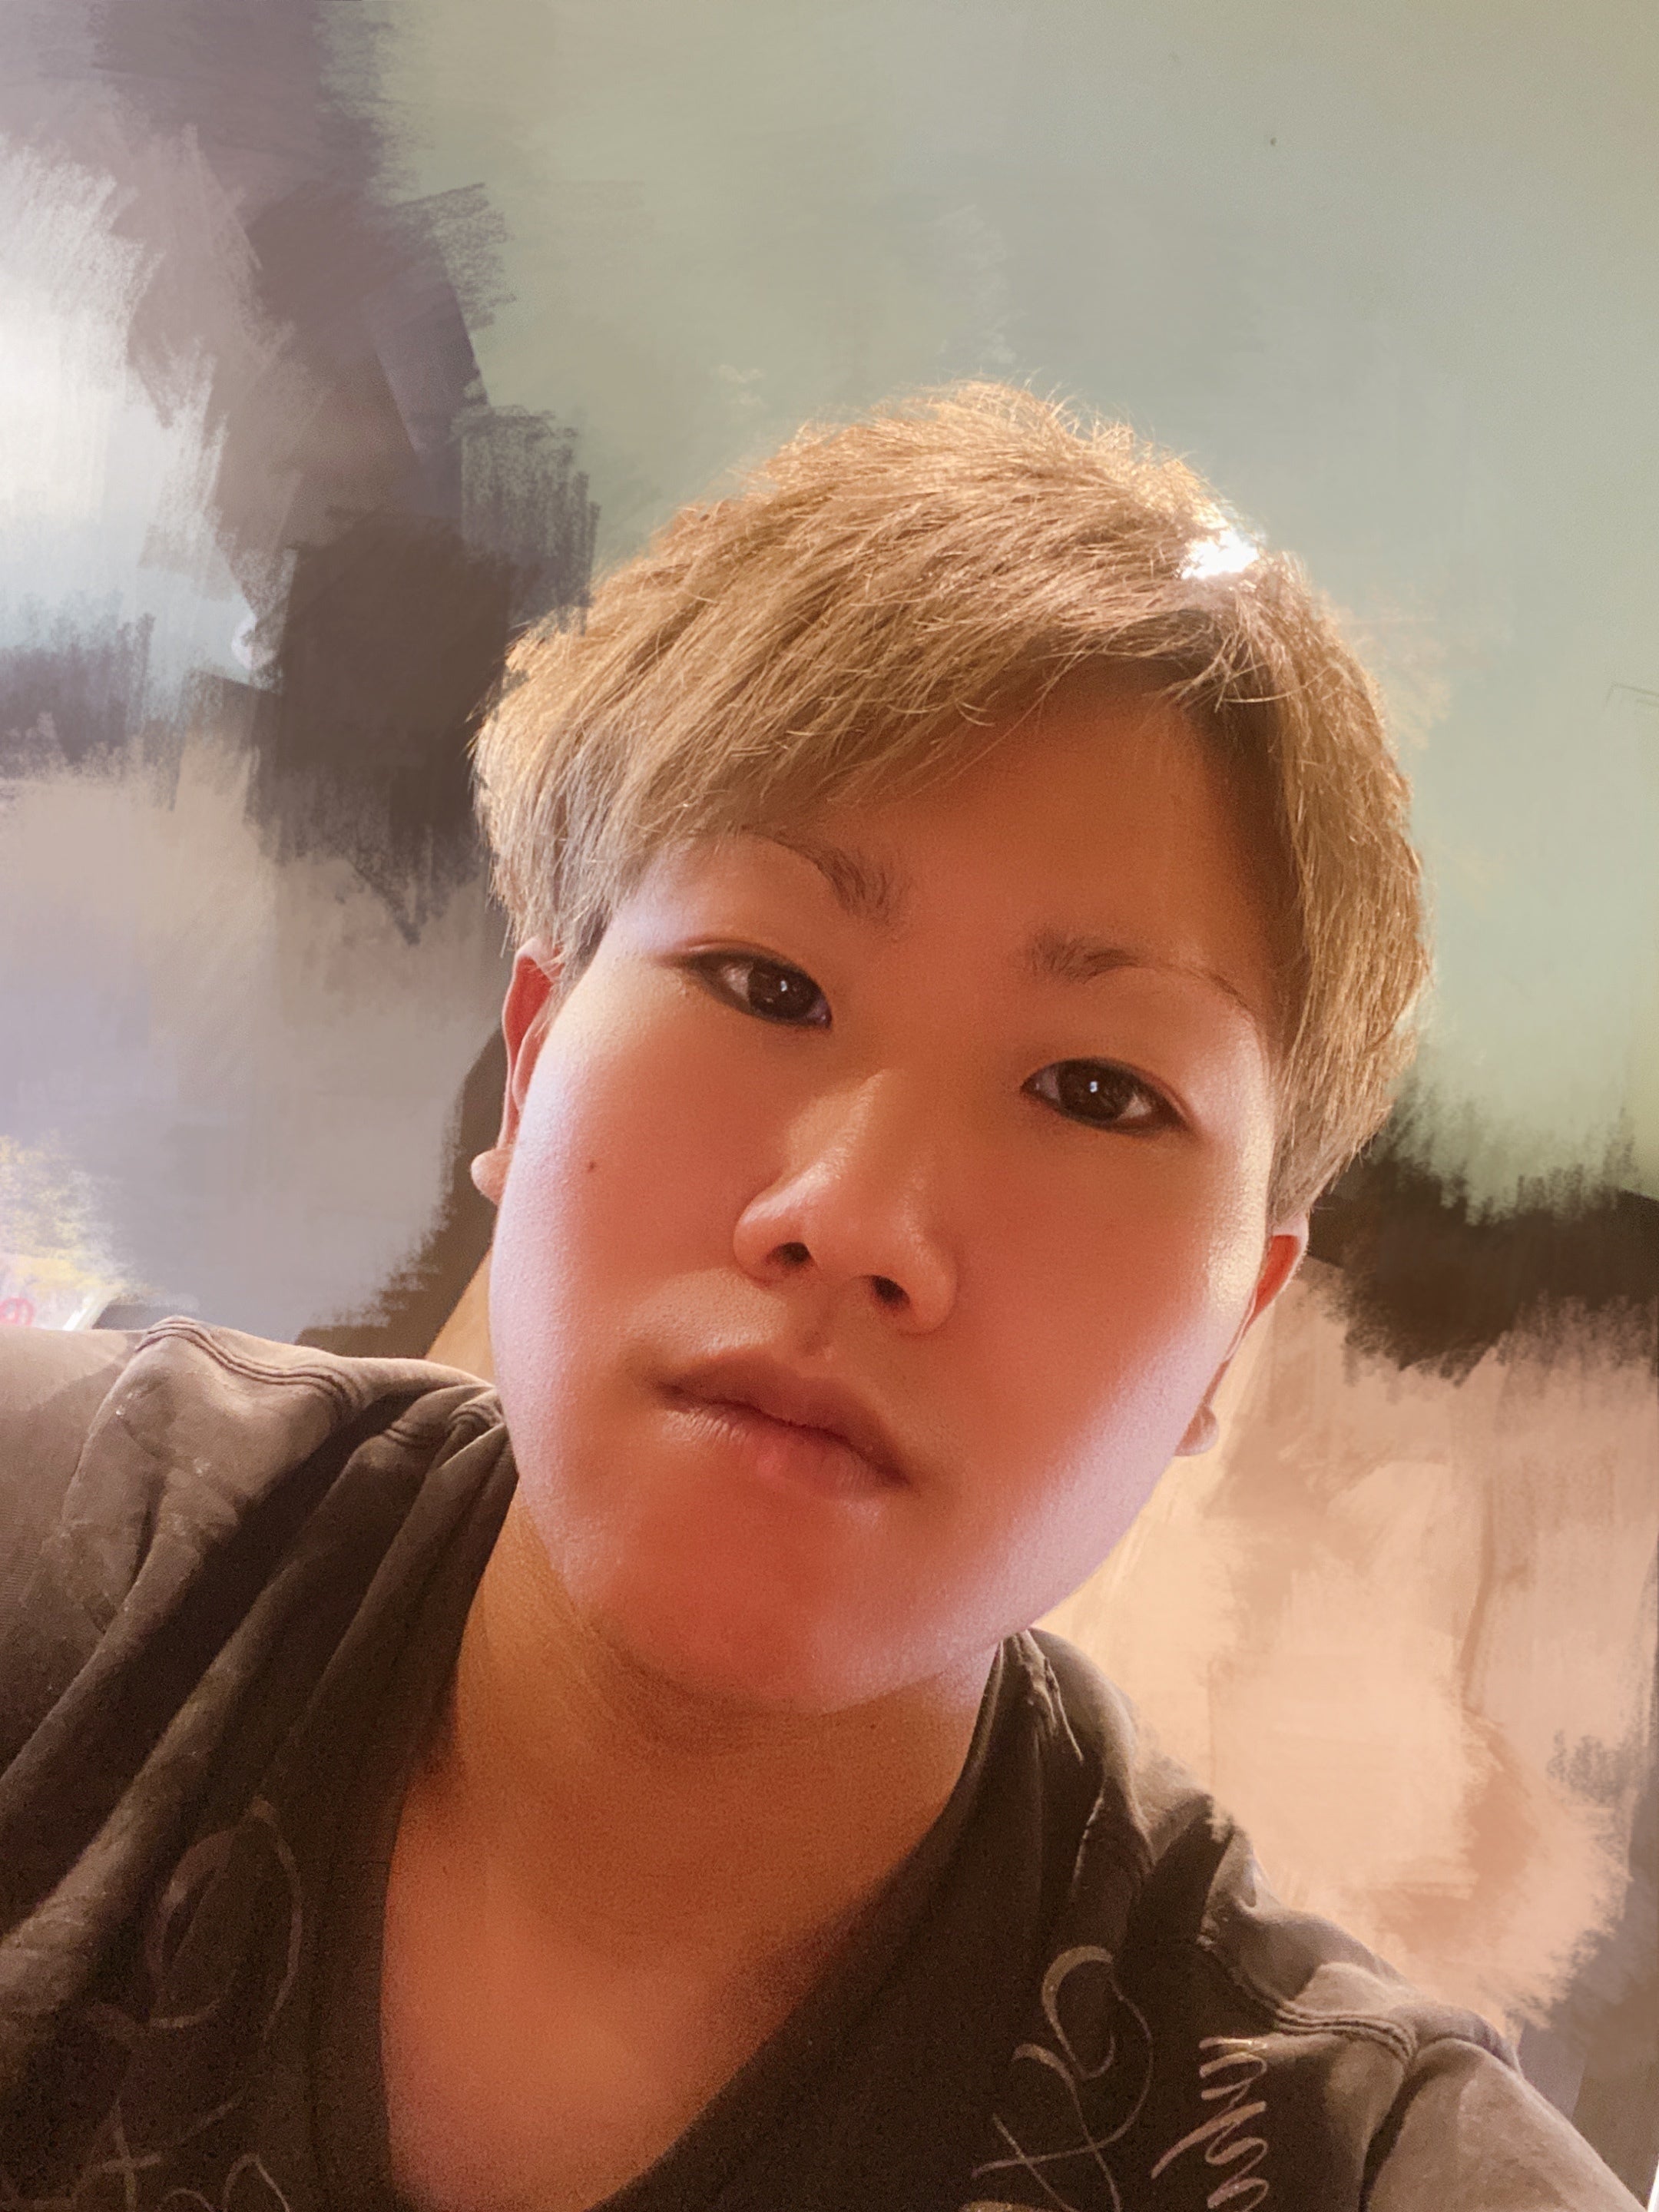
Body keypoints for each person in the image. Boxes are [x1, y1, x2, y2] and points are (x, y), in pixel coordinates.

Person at [0, 384, 1640, 2212]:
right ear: (532, 1063)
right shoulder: (71, 1573)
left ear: (1232, 1331)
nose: (858, 1223)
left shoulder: (1340, 2169)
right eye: (766, 982)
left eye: (1097, 1090)